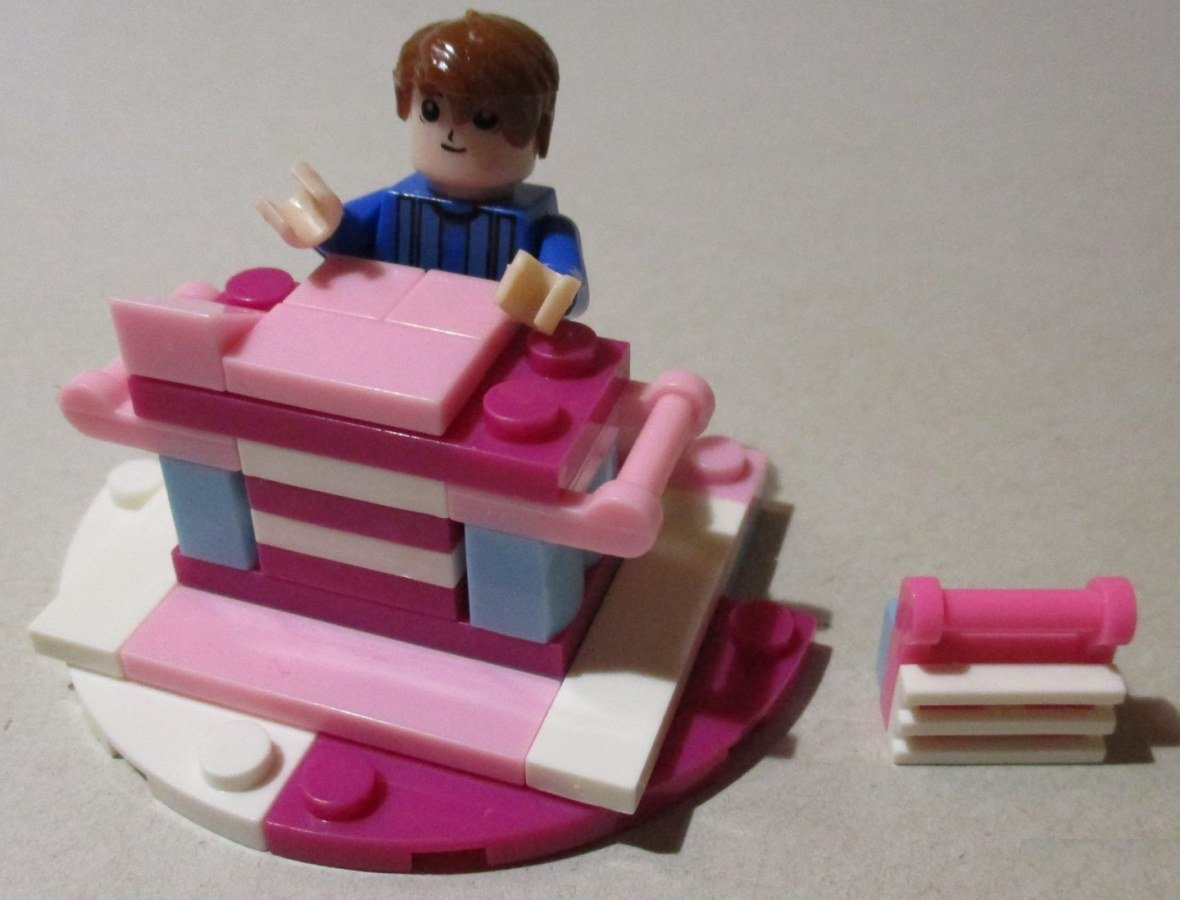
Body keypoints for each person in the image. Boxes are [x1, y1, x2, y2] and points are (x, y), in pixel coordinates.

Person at [258, 11, 586, 331]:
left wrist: (553, 290)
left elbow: (571, 287)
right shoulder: (394, 201)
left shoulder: (545, 226)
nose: (452, 134)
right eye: (431, 110)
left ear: (538, 128)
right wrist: (328, 226)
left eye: (484, 120)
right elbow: (351, 250)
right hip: (392, 335)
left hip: (492, 343)